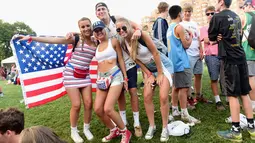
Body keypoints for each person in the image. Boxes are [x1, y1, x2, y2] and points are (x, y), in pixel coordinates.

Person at [17, 17, 95, 143]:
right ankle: (74, 131)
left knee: (88, 103)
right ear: (79, 28)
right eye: (83, 27)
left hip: (85, 76)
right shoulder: (76, 39)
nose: (86, 28)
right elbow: (54, 41)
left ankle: (86, 128)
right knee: (76, 105)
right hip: (71, 75)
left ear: (91, 26)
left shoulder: (96, 40)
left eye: (87, 26)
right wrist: (32, 38)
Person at [115, 17, 173, 142]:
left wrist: (160, 74)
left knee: (163, 96)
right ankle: (152, 126)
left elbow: (156, 53)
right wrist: (148, 73)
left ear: (129, 26)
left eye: (123, 28)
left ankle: (165, 127)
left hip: (162, 65)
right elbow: (136, 60)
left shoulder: (141, 36)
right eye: (118, 29)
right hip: (149, 69)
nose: (121, 31)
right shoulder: (123, 43)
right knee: (147, 96)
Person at [209, 0, 255, 141]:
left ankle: (236, 131)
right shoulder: (236, 15)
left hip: (229, 59)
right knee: (244, 92)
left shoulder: (216, 17)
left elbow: (211, 37)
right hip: (241, 56)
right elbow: (239, 35)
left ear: (221, 2)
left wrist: (217, 37)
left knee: (233, 95)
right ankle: (252, 128)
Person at [94, 2, 143, 137]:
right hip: (114, 67)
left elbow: (134, 25)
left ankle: (137, 123)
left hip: (128, 62)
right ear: (96, 14)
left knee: (133, 91)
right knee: (120, 95)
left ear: (108, 10)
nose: (101, 11)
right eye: (98, 10)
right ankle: (123, 122)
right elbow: (84, 35)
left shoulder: (116, 19)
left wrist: (138, 29)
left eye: (103, 8)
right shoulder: (99, 29)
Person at [92, 21, 131, 143]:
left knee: (108, 108)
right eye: (96, 31)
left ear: (105, 29)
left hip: (115, 76)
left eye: (100, 30)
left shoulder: (113, 41)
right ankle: (113, 130)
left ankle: (125, 132)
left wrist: (125, 77)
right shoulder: (96, 46)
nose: (99, 32)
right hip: (102, 78)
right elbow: (82, 36)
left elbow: (120, 59)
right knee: (98, 109)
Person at [167, 5, 201, 125]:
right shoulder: (179, 27)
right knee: (184, 88)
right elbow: (186, 45)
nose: (183, 15)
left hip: (173, 62)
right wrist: (191, 36)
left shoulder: (170, 28)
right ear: (179, 14)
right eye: (182, 13)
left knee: (176, 87)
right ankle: (184, 113)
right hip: (182, 62)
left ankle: (175, 110)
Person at [180, 3, 208, 109]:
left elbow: (198, 38)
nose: (187, 13)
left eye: (189, 11)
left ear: (191, 13)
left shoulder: (195, 24)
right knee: (188, 77)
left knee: (198, 75)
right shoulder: (181, 24)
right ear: (183, 13)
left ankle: (198, 95)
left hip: (197, 53)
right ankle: (188, 98)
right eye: (185, 11)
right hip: (188, 54)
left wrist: (201, 50)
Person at [200, 6, 225, 111]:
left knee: (225, 78)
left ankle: (228, 98)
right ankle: (218, 101)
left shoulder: (222, 26)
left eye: (212, 13)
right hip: (211, 56)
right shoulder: (204, 29)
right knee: (214, 78)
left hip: (223, 55)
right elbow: (207, 40)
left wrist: (215, 39)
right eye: (208, 14)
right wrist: (217, 40)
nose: (210, 15)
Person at [240, 0, 255, 113]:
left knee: (251, 78)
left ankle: (253, 104)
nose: (242, 9)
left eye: (243, 6)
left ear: (248, 6)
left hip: (248, 51)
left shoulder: (245, 16)